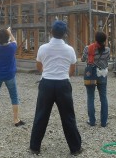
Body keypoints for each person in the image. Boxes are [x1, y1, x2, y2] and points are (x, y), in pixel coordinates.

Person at [29, 21, 82, 156]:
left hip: (46, 83)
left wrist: (48, 72)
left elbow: (39, 67)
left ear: (51, 32)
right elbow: (72, 69)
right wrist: (62, 75)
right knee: (68, 117)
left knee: (41, 115)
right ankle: (75, 148)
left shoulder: (43, 48)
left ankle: (35, 147)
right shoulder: (70, 49)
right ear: (65, 34)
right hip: (63, 84)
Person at [0, 27, 25, 127]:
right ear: (7, 38)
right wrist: (10, 32)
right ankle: (16, 120)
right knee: (14, 96)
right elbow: (14, 40)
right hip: (10, 75)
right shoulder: (12, 47)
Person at [81, 31, 110, 127]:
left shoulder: (87, 48)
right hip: (102, 75)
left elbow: (82, 59)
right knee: (103, 98)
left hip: (91, 75)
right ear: (104, 40)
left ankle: (92, 121)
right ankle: (104, 122)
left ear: (95, 39)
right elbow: (107, 59)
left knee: (90, 97)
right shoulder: (107, 50)